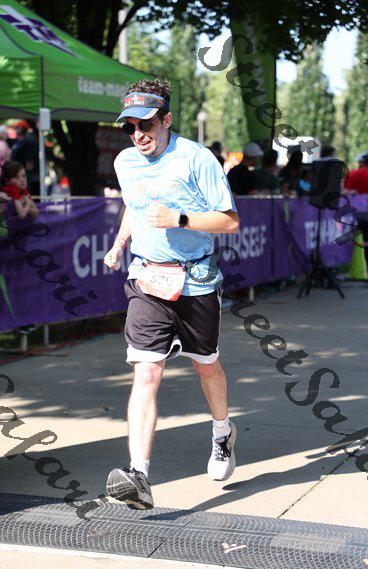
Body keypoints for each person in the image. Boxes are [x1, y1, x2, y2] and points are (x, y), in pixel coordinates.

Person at [103, 78, 239, 510]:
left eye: (146, 124)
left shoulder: (196, 158)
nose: (138, 134)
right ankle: (138, 475)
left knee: (206, 365)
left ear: (167, 120)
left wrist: (180, 218)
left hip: (196, 280)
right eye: (130, 127)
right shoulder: (126, 161)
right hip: (147, 278)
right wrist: (120, 243)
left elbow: (230, 221)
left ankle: (222, 433)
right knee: (146, 372)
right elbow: (134, 204)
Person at [11, 121, 39, 196]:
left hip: (23, 173)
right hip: (17, 172)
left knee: (24, 193)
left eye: (18, 127)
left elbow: (30, 161)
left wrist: (26, 174)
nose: (16, 129)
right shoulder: (18, 141)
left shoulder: (28, 142)